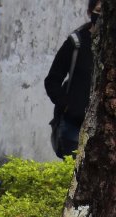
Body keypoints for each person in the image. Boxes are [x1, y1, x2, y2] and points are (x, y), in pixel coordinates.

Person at [46, 0, 100, 157]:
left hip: (106, 130)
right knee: (73, 170)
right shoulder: (76, 43)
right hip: (74, 127)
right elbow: (52, 81)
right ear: (90, 12)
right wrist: (68, 106)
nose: (102, 16)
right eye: (99, 10)